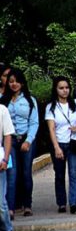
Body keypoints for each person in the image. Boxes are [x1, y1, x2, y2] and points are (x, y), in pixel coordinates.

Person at [0, 69, 39, 219]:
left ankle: (27, 205)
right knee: (12, 174)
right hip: (10, 142)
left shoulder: (30, 100)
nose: (14, 84)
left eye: (16, 81)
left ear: (22, 83)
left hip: (26, 139)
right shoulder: (3, 101)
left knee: (26, 173)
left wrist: (28, 140)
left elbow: (34, 122)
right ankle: (10, 208)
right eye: (11, 81)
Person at [45, 76, 76, 214]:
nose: (64, 91)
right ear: (56, 89)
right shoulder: (51, 107)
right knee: (60, 174)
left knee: (74, 173)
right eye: (61, 88)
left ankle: (74, 202)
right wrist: (56, 147)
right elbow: (51, 128)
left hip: (74, 142)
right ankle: (62, 203)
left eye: (67, 88)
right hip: (59, 142)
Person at [0, 100, 12, 231]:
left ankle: (7, 229)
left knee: (1, 203)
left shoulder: (2, 110)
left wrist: (5, 158)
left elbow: (7, 135)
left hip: (0, 159)